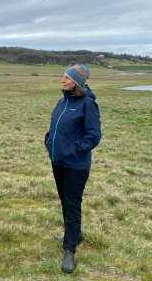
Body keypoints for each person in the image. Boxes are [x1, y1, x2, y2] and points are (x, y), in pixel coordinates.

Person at [44, 64, 101, 273]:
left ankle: (69, 250)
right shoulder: (62, 102)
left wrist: (74, 150)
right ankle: (73, 234)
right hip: (58, 162)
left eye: (67, 77)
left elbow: (93, 136)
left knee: (73, 204)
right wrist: (49, 142)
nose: (63, 80)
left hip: (75, 165)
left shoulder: (87, 104)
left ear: (77, 81)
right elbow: (54, 128)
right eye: (64, 76)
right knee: (64, 200)